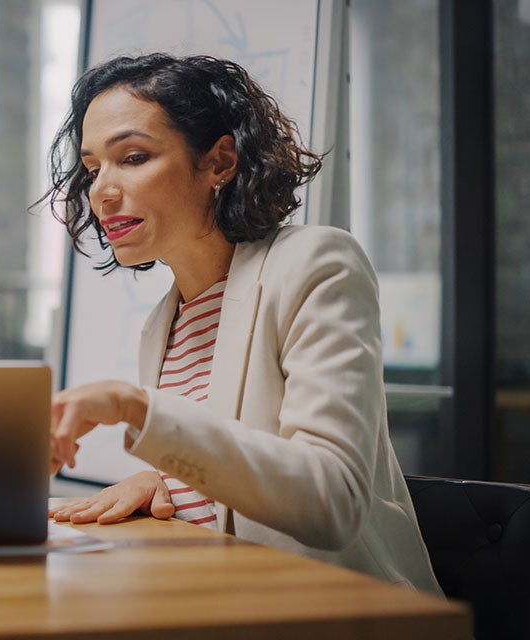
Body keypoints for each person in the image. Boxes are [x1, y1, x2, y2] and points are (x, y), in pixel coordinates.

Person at [41, 53, 440, 593]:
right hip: (225, 599)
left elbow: (330, 501)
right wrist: (164, 479)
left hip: (338, 612)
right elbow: (230, 470)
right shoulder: (164, 322)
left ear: (220, 161)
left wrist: (138, 411)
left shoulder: (317, 264)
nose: (101, 191)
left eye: (132, 157)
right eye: (92, 168)